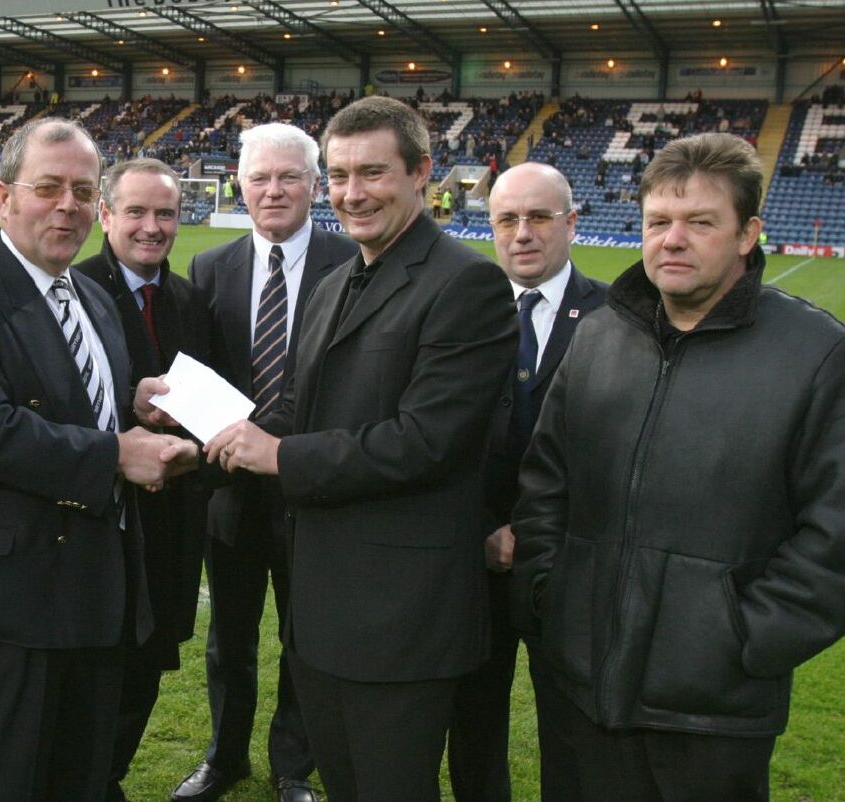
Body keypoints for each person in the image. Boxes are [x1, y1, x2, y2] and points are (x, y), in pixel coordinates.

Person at [196, 95, 516, 801]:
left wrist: (277, 456)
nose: (350, 193)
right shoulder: (338, 279)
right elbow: (293, 412)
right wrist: (199, 420)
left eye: (371, 173)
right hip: (323, 610)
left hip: (400, 620)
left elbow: (425, 441)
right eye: (338, 175)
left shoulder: (466, 284)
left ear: (421, 174)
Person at [511, 132, 845, 800]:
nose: (672, 239)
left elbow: (833, 536)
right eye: (657, 222)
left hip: (711, 712)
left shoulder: (814, 354)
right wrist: (552, 596)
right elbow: (545, 482)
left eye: (699, 223)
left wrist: (741, 638)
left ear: (747, 233)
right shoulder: (600, 336)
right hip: (578, 687)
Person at [0, 118, 198, 802]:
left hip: (94, 591)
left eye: (81, 191)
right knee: (5, 784)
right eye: (47, 187)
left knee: (81, 780)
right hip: (5, 603)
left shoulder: (89, 295)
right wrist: (115, 454)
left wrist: (133, 404)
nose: (66, 204)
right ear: (3, 197)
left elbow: (64, 401)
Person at [171, 122, 356, 802]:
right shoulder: (210, 267)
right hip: (230, 493)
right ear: (239, 187)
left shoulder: (351, 261)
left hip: (313, 488)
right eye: (258, 178)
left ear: (315, 185)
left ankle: (292, 769)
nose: (272, 190)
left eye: (287, 177)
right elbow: (198, 376)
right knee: (229, 641)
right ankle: (223, 759)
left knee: (304, 642)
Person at [446, 162, 607, 802]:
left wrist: (542, 532)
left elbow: (614, 452)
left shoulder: (613, 317)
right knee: (474, 722)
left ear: (570, 223)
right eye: (506, 219)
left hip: (565, 566)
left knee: (569, 727)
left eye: (538, 217)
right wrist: (479, 528)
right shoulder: (460, 314)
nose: (522, 233)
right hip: (472, 559)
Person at [74, 158, 213, 802]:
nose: (151, 228)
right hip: (98, 523)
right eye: (136, 212)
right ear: (106, 215)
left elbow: (208, 406)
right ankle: (86, 778)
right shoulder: (72, 290)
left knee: (149, 664)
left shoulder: (188, 298)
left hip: (171, 522)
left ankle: (109, 776)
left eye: (165, 214)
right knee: (94, 669)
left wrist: (193, 447)